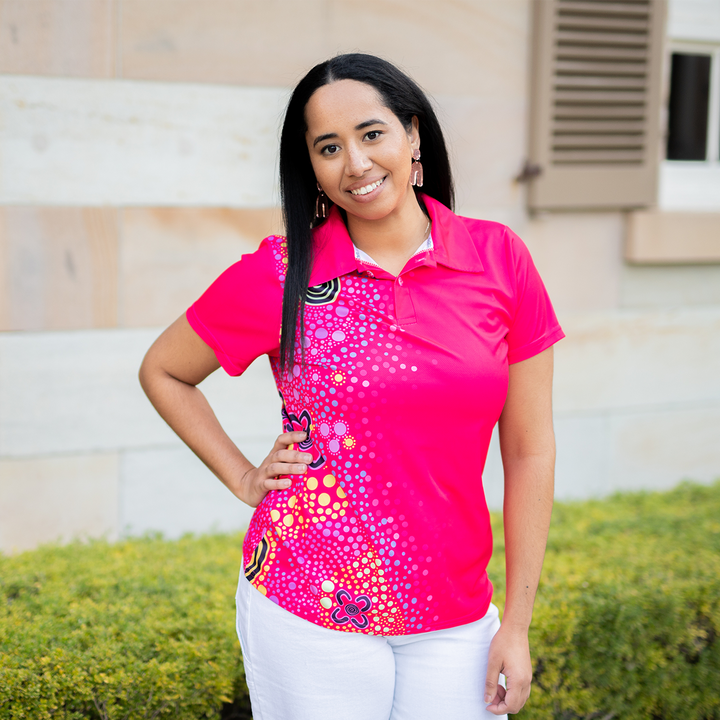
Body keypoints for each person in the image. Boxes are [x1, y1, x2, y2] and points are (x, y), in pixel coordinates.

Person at [139, 53, 563, 720]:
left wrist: (517, 622)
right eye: (328, 147)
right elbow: (164, 369)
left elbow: (531, 449)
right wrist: (245, 479)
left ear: (413, 135)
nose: (357, 164)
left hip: (453, 612)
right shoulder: (282, 273)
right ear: (309, 164)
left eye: (372, 134)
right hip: (306, 601)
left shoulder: (498, 258)